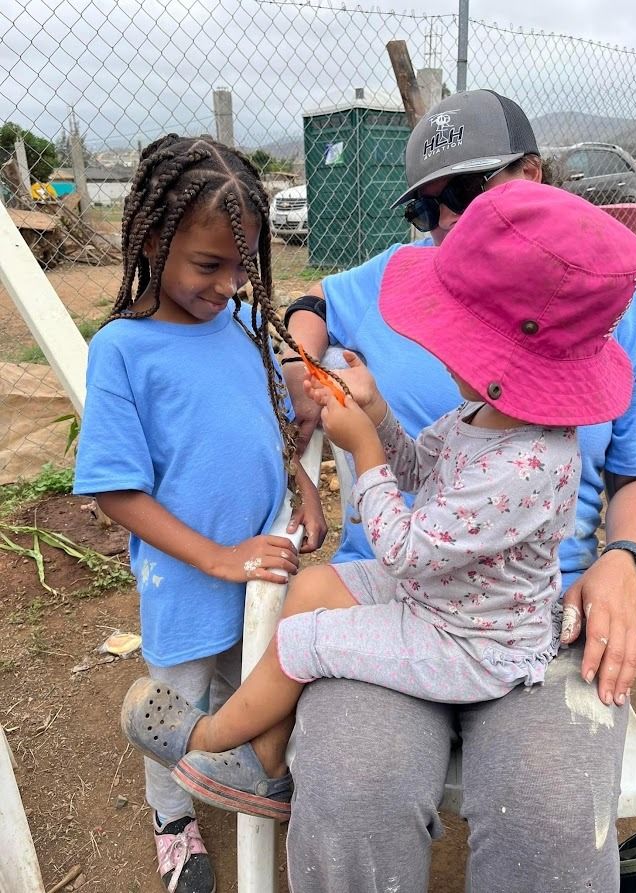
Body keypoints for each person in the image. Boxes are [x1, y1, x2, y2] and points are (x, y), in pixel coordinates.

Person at [119, 181, 636, 829]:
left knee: (303, 642)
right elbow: (423, 470)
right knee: (311, 589)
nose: (439, 347)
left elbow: (407, 550)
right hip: (446, 597)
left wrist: (365, 450)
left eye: (455, 336)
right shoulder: (489, 415)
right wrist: (376, 412)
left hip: (471, 643)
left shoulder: (531, 464)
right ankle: (266, 763)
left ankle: (205, 738)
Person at [274, 90, 636, 892]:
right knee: (353, 796)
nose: (444, 220)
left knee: (549, 826)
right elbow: (312, 300)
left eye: (465, 191)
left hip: (539, 609)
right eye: (425, 207)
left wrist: (627, 560)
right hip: (391, 592)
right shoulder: (403, 277)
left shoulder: (611, 308)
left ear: (534, 174)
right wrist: (302, 363)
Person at [73, 135, 327, 893]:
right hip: (187, 581)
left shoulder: (241, 332)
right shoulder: (124, 348)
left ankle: (246, 773)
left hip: (261, 570)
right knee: (174, 710)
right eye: (208, 265)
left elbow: (276, 423)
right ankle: (172, 820)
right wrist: (216, 557)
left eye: (241, 266)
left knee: (250, 682)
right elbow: (115, 489)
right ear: (153, 239)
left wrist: (303, 487)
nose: (226, 286)